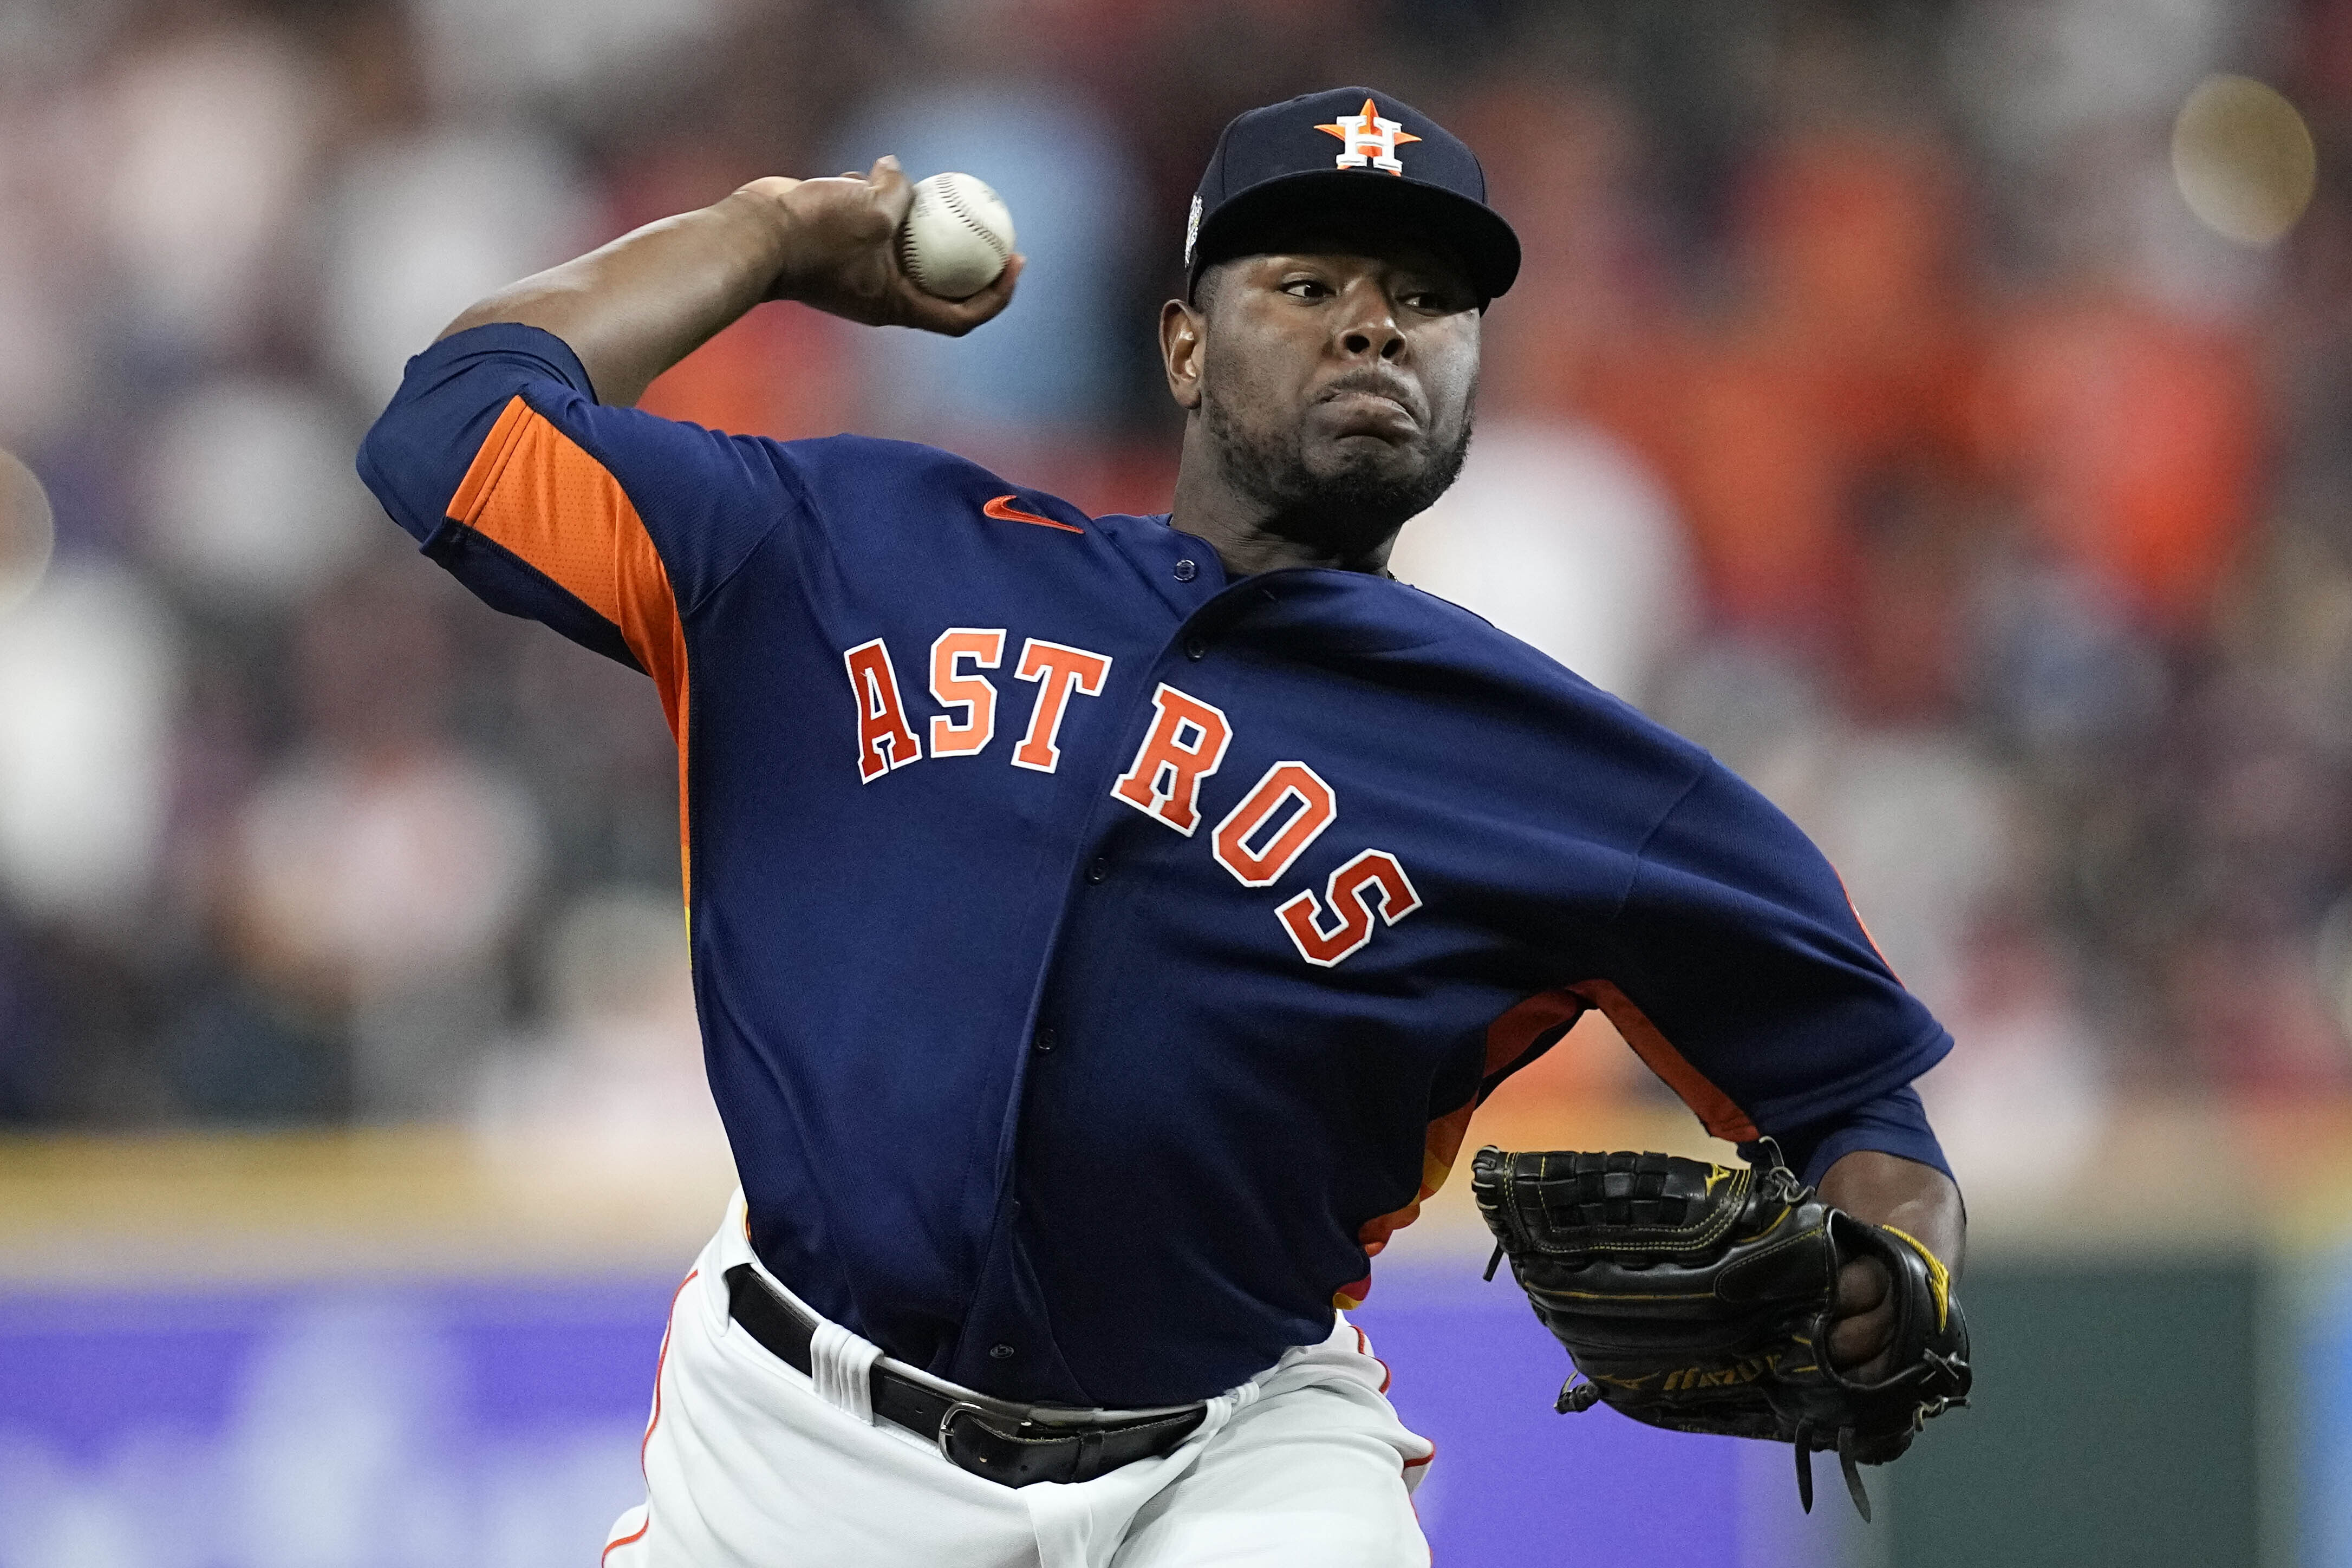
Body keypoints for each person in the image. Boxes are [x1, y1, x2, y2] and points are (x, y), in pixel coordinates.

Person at [358, 87, 1963, 1568]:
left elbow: (1861, 1103)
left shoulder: (1565, 772)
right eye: (1310, 285)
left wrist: (1894, 1279)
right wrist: (769, 233)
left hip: (1234, 1465)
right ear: (1186, 350)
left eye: (1426, 299)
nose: (1374, 330)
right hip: (795, 1447)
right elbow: (452, 425)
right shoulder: (853, 547)